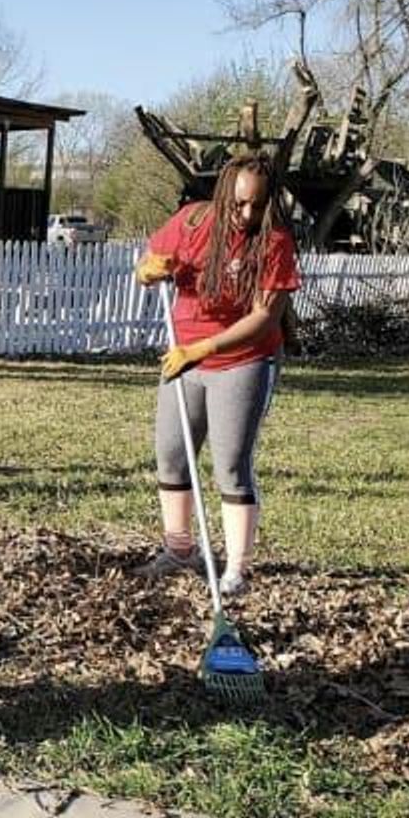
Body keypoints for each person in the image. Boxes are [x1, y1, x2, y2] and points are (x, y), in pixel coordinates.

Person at [133, 153, 300, 596]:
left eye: (258, 205)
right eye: (240, 204)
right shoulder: (192, 222)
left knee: (230, 465)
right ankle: (180, 550)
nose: (247, 215)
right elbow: (151, 261)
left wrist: (205, 347)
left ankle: (237, 570)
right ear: (224, 195)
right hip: (183, 358)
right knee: (171, 454)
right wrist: (149, 270)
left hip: (243, 360)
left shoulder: (275, 242)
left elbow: (265, 318)